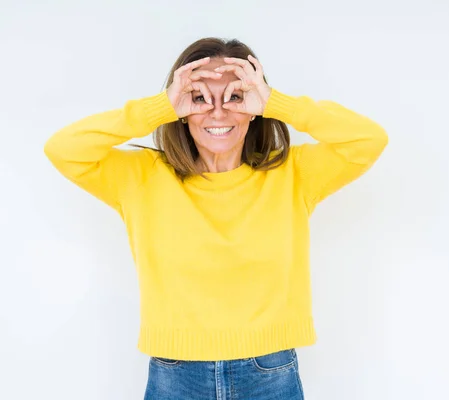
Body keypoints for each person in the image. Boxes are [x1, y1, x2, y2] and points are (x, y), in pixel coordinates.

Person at [44, 37, 388, 399]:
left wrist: (276, 102)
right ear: (180, 108)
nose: (219, 113)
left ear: (254, 107)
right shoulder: (142, 177)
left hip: (269, 372)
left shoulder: (293, 173)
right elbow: (63, 149)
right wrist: (158, 107)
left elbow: (368, 140)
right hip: (175, 375)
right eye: (199, 98)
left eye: (235, 97)